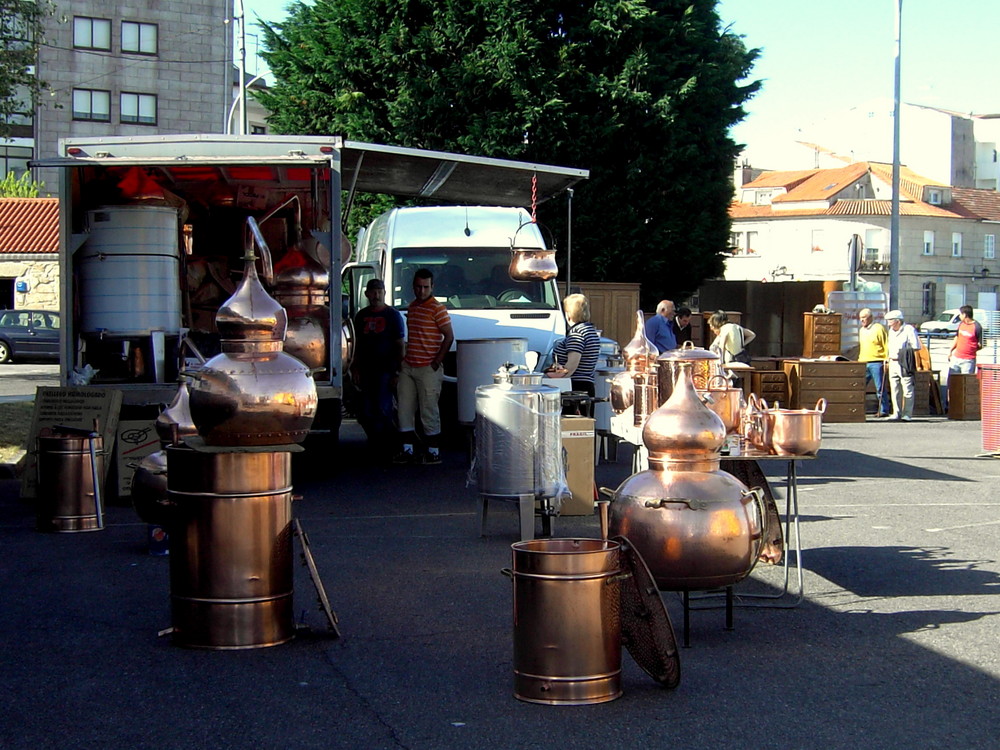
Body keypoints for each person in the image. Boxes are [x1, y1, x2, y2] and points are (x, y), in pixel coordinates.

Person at [395, 269, 454, 465]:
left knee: (429, 409)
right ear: (413, 287)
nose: (422, 291)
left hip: (428, 367)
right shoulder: (412, 307)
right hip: (409, 365)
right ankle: (407, 450)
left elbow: (449, 336)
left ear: (432, 287)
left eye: (425, 287)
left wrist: (437, 361)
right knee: (404, 408)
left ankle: (433, 451)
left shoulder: (437, 308)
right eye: (419, 287)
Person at [350, 278, 405, 454]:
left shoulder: (393, 315)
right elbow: (356, 344)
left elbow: (399, 344)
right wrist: (355, 367)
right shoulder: (361, 316)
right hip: (366, 370)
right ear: (367, 294)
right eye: (373, 292)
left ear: (384, 293)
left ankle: (386, 447)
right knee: (365, 410)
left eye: (379, 291)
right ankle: (373, 442)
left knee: (383, 408)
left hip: (386, 370)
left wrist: (398, 371)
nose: (376, 295)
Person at [546, 293, 601, 397]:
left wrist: (555, 379)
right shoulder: (590, 331)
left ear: (568, 314)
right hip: (587, 385)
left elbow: (571, 366)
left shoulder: (577, 333)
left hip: (575, 388)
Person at [885, 309, 922, 421]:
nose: (889, 323)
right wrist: (887, 360)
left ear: (898, 321)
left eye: (890, 321)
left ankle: (907, 414)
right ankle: (896, 412)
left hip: (905, 362)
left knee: (907, 388)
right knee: (895, 388)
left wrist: (917, 365)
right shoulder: (891, 331)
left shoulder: (909, 330)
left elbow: (916, 348)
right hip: (893, 361)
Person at [858, 308, 891, 418]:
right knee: (859, 386)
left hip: (877, 361)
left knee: (879, 388)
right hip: (863, 361)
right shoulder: (861, 330)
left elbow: (886, 344)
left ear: (871, 318)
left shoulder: (879, 328)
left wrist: (887, 360)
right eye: (860, 318)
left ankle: (883, 410)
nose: (862, 320)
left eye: (864, 318)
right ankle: (857, 409)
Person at [947, 305, 983, 374]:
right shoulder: (961, 324)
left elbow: (980, 344)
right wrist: (951, 350)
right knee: (953, 380)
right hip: (956, 358)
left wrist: (970, 350)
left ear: (964, 315)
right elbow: (957, 337)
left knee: (966, 382)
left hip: (968, 361)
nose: (959, 316)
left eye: (960, 314)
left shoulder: (977, 327)